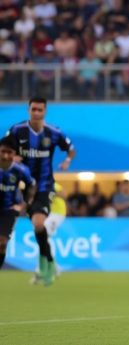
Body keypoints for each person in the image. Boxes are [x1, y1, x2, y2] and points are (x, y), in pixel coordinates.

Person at [6, 96, 75, 286]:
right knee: (38, 228)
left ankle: (46, 265)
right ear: (28, 110)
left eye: (40, 110)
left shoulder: (53, 132)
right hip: (26, 188)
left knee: (38, 223)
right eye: (33, 109)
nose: (36, 113)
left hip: (45, 186)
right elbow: (4, 150)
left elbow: (71, 148)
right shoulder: (17, 130)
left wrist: (67, 160)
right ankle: (49, 262)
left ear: (45, 111)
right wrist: (12, 158)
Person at [0, 137, 35, 271]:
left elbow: (32, 185)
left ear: (14, 154)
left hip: (8, 210)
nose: (5, 155)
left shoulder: (21, 170)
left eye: (9, 152)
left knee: (2, 243)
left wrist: (25, 204)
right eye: (3, 152)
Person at [31, 181, 65, 284]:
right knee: (44, 240)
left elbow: (63, 194)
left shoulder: (52, 184)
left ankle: (41, 270)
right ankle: (54, 268)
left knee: (43, 238)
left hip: (57, 214)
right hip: (48, 214)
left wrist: (50, 193)